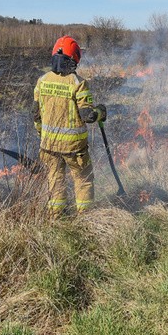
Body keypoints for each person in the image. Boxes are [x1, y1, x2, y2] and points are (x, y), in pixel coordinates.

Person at [33, 36, 106, 217]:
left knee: (55, 180)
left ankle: (57, 217)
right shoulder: (78, 83)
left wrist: (42, 134)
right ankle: (85, 217)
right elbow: (88, 115)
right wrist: (100, 112)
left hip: (48, 146)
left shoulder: (42, 81)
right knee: (83, 179)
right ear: (74, 58)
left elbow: (35, 114)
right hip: (74, 148)